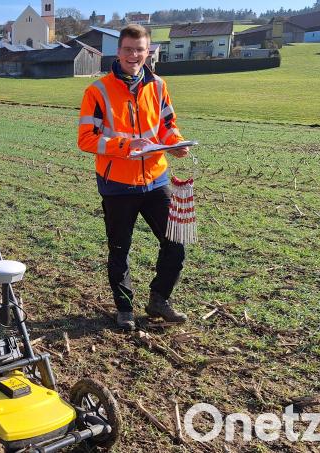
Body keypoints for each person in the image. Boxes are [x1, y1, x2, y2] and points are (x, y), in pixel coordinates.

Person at [77, 24, 189, 331]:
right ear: (119, 51)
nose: (134, 55)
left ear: (148, 51)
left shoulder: (159, 86)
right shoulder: (97, 91)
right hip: (117, 185)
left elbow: (167, 123)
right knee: (119, 250)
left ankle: (159, 300)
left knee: (176, 242)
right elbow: (86, 138)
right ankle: (124, 308)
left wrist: (175, 142)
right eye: (128, 49)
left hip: (156, 179)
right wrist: (125, 146)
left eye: (140, 50)